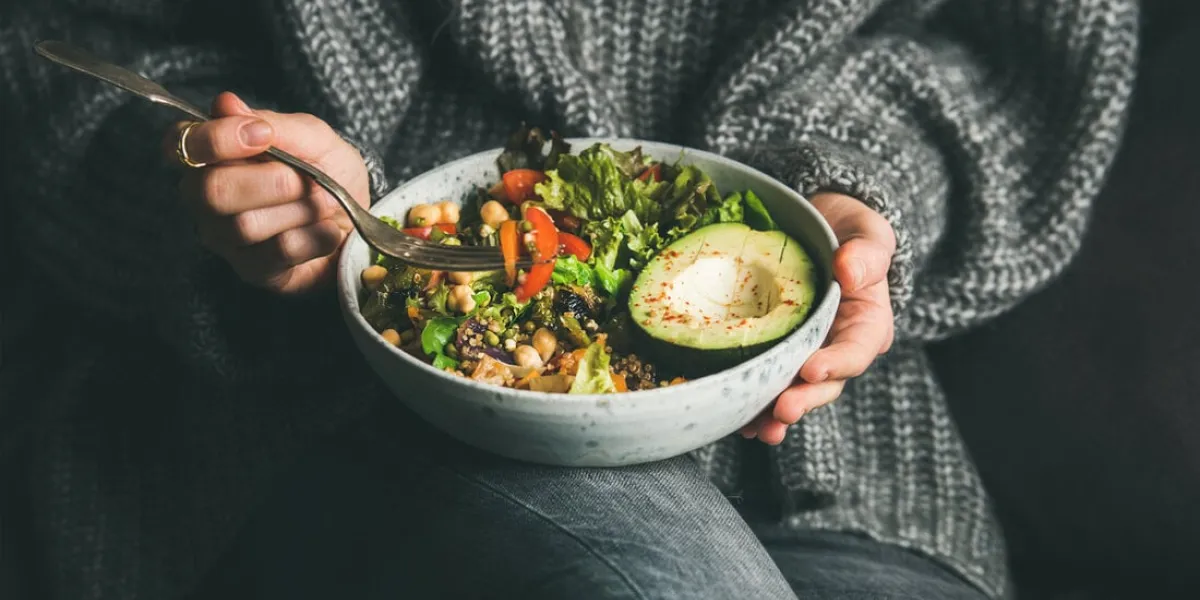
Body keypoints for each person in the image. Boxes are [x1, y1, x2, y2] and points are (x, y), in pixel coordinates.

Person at [0, 0, 1138, 599]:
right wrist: (226, 188)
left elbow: (1011, 51)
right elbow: (64, 55)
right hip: (327, 399)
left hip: (844, 447)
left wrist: (857, 192)